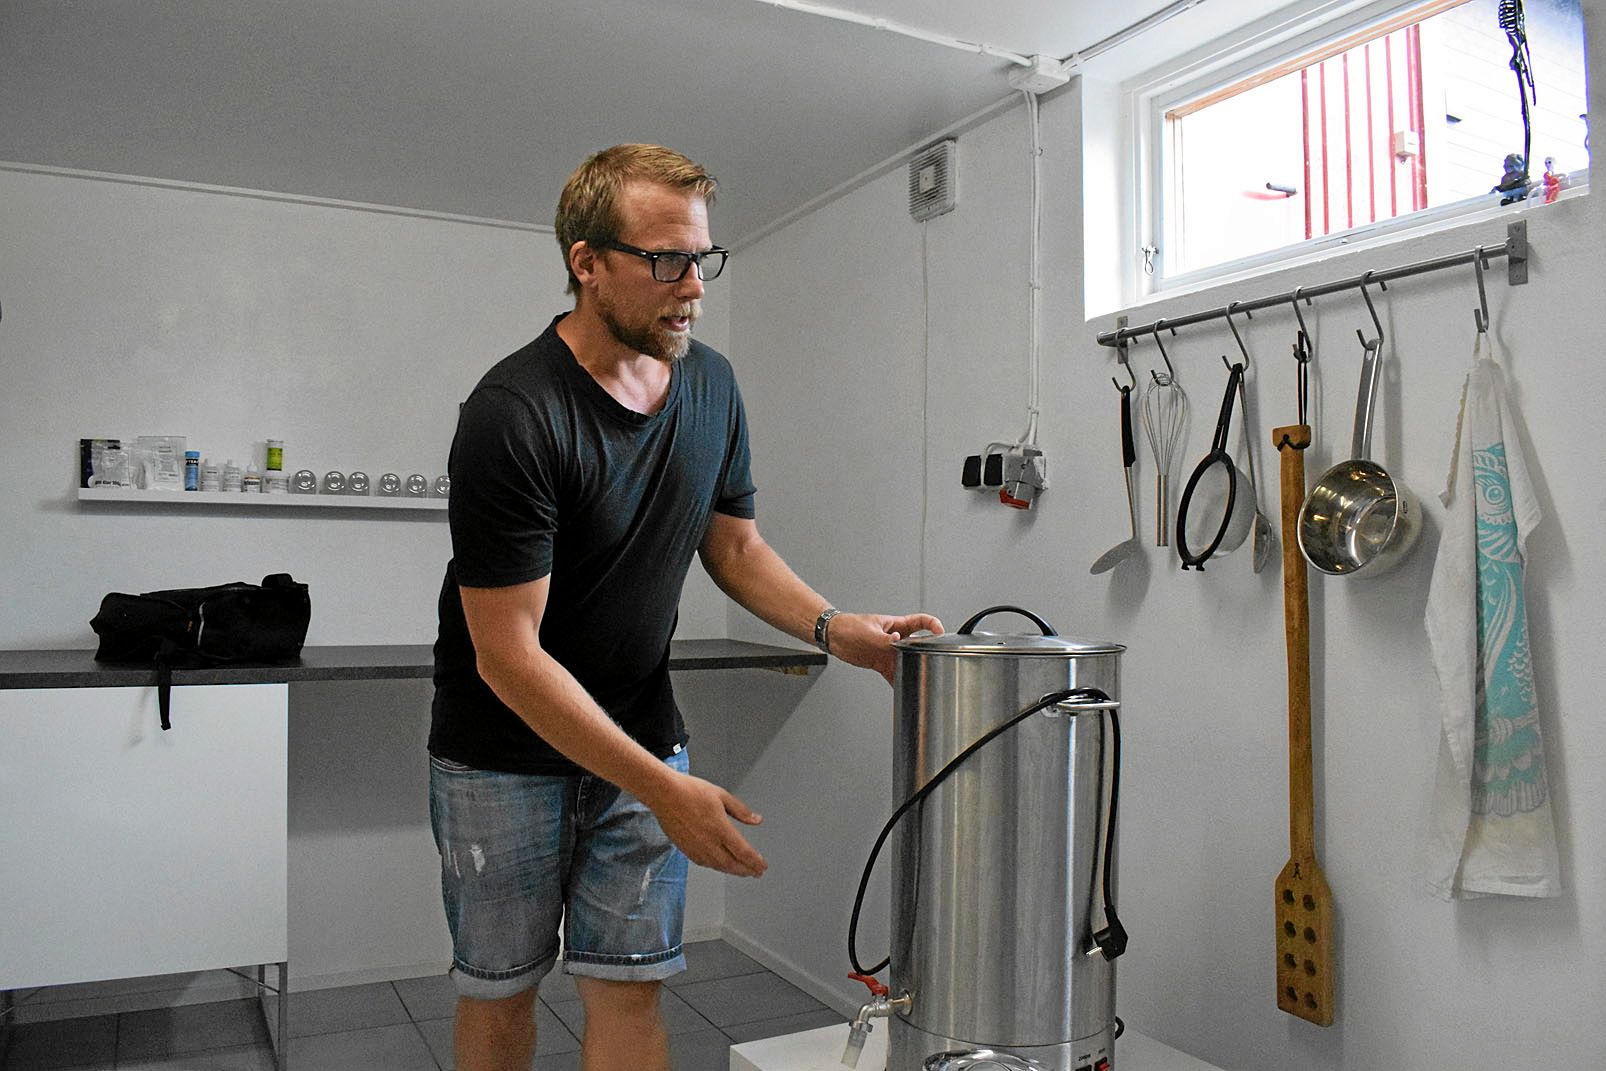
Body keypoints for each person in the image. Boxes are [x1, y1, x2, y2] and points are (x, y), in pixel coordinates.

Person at [427, 143, 942, 1071]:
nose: (694, 286)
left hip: (641, 727)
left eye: (703, 258)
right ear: (587, 262)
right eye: (667, 260)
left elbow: (734, 547)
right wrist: (665, 790)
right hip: (501, 752)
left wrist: (837, 629)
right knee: (500, 993)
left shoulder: (711, 384)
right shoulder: (513, 412)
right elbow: (507, 653)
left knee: (632, 988)